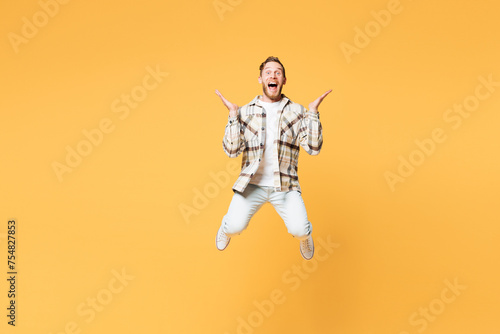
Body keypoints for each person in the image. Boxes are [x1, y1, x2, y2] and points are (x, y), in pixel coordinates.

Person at [215, 56, 331, 260]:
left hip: (285, 186)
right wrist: (233, 114)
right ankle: (226, 227)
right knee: (233, 227)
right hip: (252, 185)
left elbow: (313, 148)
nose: (273, 75)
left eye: (278, 72)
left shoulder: (297, 111)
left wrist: (312, 112)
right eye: (268, 72)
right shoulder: (244, 111)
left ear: (284, 80)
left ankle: (305, 236)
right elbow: (232, 151)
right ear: (260, 79)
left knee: (301, 230)